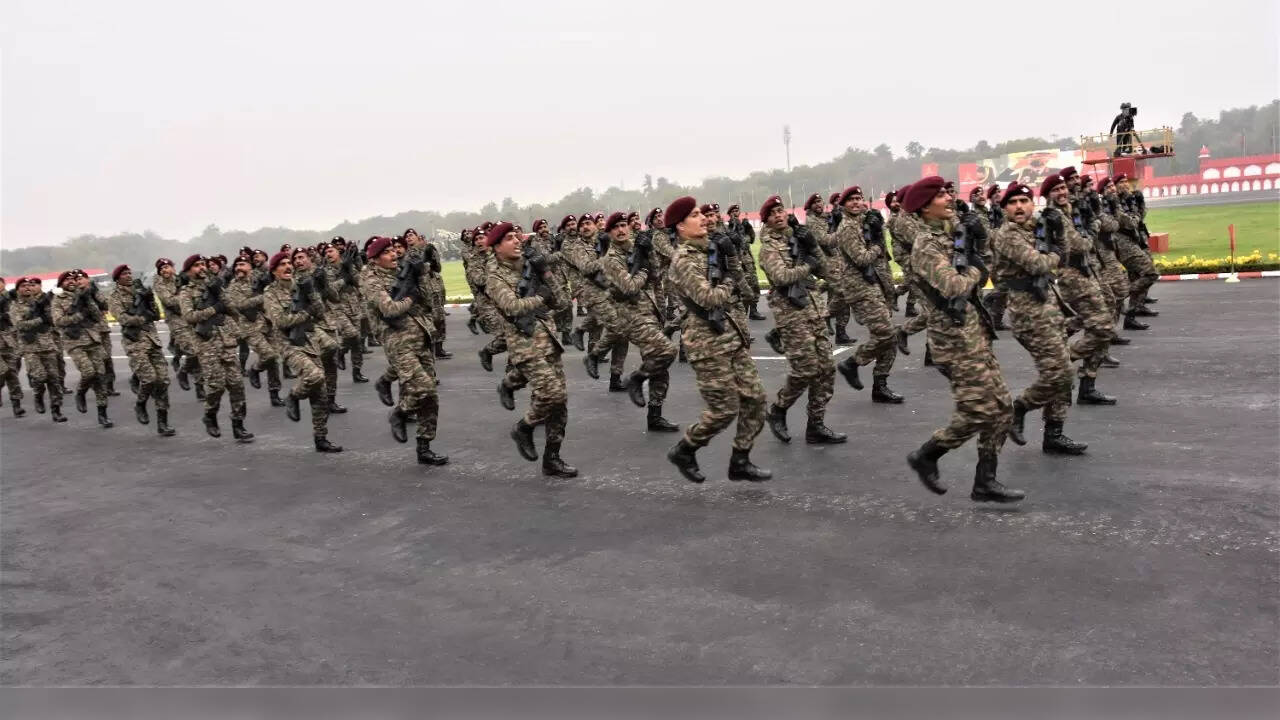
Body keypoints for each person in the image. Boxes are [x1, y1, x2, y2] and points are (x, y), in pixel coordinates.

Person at [901, 176, 1023, 502]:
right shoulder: (925, 246)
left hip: (975, 332)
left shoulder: (953, 233)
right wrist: (975, 267)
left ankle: (985, 481)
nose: (948, 198)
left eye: (947, 192)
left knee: (1002, 408)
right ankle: (928, 454)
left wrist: (979, 244)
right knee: (980, 412)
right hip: (953, 341)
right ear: (925, 208)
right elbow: (954, 286)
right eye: (940, 195)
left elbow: (984, 263)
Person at [663, 197, 770, 484]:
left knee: (757, 400)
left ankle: (740, 460)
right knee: (724, 410)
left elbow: (737, 290)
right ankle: (686, 448)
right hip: (706, 345)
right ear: (681, 227)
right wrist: (730, 278)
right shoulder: (683, 260)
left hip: (729, 337)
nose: (704, 219)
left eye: (702, 214)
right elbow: (709, 299)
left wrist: (730, 260)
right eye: (696, 215)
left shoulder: (709, 251)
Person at [991, 179, 1089, 455]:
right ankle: (1020, 407)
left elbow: (1068, 252)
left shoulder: (1038, 228)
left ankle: (1054, 434)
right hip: (1029, 315)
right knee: (1061, 374)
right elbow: (1038, 263)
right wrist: (1056, 249)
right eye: (1012, 203)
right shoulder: (1007, 235)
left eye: (1024, 202)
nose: (1019, 207)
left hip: (1050, 308)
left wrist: (1058, 240)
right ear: (1005, 208)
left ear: (1032, 205)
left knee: (1061, 374)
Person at [483, 222, 575, 477]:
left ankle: (552, 459)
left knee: (560, 404)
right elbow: (511, 306)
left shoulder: (530, 267)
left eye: (517, 237)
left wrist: (545, 271)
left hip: (548, 341)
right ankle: (524, 427)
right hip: (524, 344)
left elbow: (563, 301)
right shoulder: (494, 275)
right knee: (552, 393)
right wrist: (540, 298)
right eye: (509, 238)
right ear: (496, 246)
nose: (516, 241)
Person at [757, 195, 845, 445]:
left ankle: (815, 425)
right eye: (772, 213)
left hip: (814, 310)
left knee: (826, 369)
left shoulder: (799, 238)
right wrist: (807, 265)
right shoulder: (768, 248)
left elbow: (826, 270)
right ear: (767, 220)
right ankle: (779, 409)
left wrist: (813, 247)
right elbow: (782, 276)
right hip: (791, 314)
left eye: (780, 210)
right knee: (805, 369)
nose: (778, 215)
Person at [360, 238, 448, 464]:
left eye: (394, 251)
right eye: (387, 252)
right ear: (375, 257)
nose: (394, 255)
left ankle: (424, 447)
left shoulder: (403, 271)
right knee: (426, 388)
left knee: (431, 397)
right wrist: (410, 297)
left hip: (421, 336)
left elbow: (428, 301)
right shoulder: (371, 279)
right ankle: (399, 413)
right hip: (397, 341)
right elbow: (389, 309)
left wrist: (419, 276)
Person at [597, 211, 680, 433]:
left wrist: (648, 251)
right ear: (609, 232)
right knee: (668, 351)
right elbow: (630, 287)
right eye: (616, 228)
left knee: (659, 366)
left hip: (651, 312)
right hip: (631, 317)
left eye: (624, 225)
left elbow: (655, 274)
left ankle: (655, 415)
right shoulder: (610, 260)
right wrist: (642, 268)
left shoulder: (636, 248)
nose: (622, 230)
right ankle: (637, 377)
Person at [1045, 173, 1120, 405]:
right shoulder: (1054, 216)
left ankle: (1088, 384)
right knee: (1102, 327)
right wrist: (1093, 228)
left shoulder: (1070, 210)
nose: (1062, 192)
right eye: (1056, 189)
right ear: (1048, 195)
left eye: (1062, 188)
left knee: (1100, 324)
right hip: (1072, 276)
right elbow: (1079, 245)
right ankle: (1063, 359)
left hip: (1086, 272)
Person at [832, 186, 903, 403]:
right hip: (860, 288)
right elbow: (862, 258)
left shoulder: (861, 222)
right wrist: (878, 245)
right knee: (887, 335)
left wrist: (876, 228)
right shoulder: (846, 228)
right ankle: (852, 363)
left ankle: (880, 385)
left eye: (859, 199)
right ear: (843, 205)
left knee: (888, 339)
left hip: (875, 285)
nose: (856, 202)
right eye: (851, 200)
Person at [178, 255, 254, 442]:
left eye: (203, 264)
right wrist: (213, 309)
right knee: (216, 385)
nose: (201, 268)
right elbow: (189, 316)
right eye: (196, 266)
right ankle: (210, 415)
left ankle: (238, 425)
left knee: (237, 384)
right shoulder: (186, 293)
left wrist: (219, 294)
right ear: (188, 271)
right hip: (206, 343)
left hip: (225, 340)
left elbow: (233, 310)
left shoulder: (215, 286)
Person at [106, 265, 175, 435]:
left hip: (152, 340)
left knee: (163, 381)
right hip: (135, 342)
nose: (128, 276)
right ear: (117, 278)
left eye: (129, 272)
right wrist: (141, 316)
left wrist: (148, 298)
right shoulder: (114, 297)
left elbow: (157, 314)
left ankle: (162, 422)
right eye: (124, 273)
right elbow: (123, 318)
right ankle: (141, 404)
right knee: (149, 378)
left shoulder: (141, 291)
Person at [51, 270, 112, 427]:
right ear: (61, 284)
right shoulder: (58, 300)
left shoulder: (85, 295)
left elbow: (98, 316)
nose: (72, 281)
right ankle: (81, 392)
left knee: (100, 376)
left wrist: (88, 300)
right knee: (88, 372)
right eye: (67, 280)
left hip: (93, 339)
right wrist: (78, 315)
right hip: (74, 342)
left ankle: (102, 413)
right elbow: (59, 321)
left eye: (74, 279)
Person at [9, 277, 66, 422]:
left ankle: (56, 410)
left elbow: (53, 319)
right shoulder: (15, 306)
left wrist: (47, 316)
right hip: (30, 348)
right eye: (23, 285)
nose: (27, 287)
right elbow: (20, 325)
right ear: (18, 289)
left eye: (30, 285)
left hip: (47, 345)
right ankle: (38, 395)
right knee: (40, 377)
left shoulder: (43, 303)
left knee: (54, 379)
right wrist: (40, 320)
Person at [726, 204, 765, 320]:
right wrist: (734, 230)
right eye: (733, 211)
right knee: (744, 290)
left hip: (749, 261)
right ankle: (742, 316)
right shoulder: (729, 228)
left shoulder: (742, 227)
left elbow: (751, 239)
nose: (735, 213)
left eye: (737, 211)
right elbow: (733, 244)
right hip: (739, 263)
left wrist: (748, 228)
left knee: (755, 286)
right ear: (729, 214)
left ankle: (753, 310)